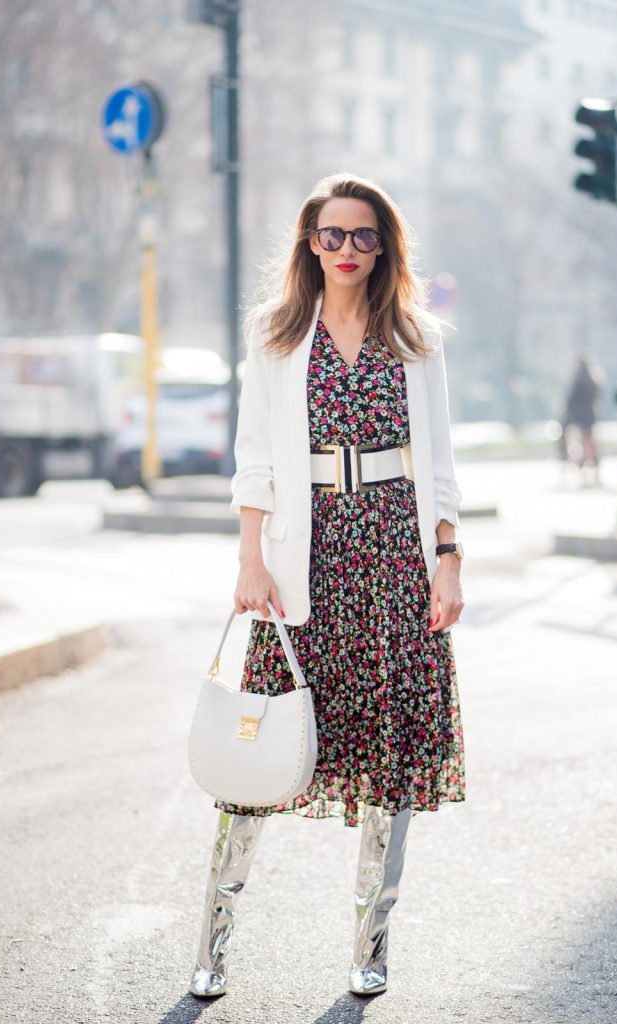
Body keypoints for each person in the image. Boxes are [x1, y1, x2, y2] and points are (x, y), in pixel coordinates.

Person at [188, 172, 466, 1000]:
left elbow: (441, 464)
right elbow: (254, 458)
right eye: (332, 234)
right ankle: (212, 942)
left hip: (393, 556)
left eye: (364, 236)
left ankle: (370, 943)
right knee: (257, 753)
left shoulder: (417, 337)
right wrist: (248, 557)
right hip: (303, 559)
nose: (346, 250)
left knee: (390, 763)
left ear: (385, 247)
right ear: (310, 242)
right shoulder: (276, 334)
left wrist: (447, 558)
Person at [560, 353, 603, 479]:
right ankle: (592, 459)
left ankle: (567, 457)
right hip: (590, 414)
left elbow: (572, 398)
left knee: (564, 432)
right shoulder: (594, 378)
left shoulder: (579, 379)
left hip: (577, 414)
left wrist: (567, 408)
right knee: (588, 438)